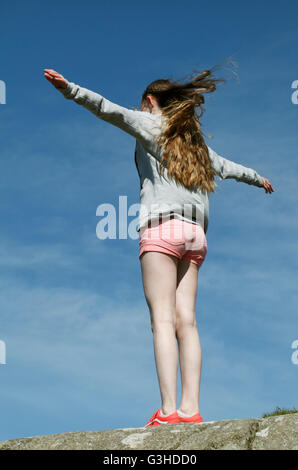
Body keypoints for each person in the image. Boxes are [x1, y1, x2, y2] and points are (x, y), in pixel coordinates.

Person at [44, 67, 274, 427]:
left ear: (150, 102)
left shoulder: (152, 124)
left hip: (162, 230)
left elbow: (108, 109)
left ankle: (167, 411)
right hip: (196, 237)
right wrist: (258, 178)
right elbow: (229, 168)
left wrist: (70, 89)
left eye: (143, 105)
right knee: (189, 323)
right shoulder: (197, 147)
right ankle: (190, 409)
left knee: (162, 322)